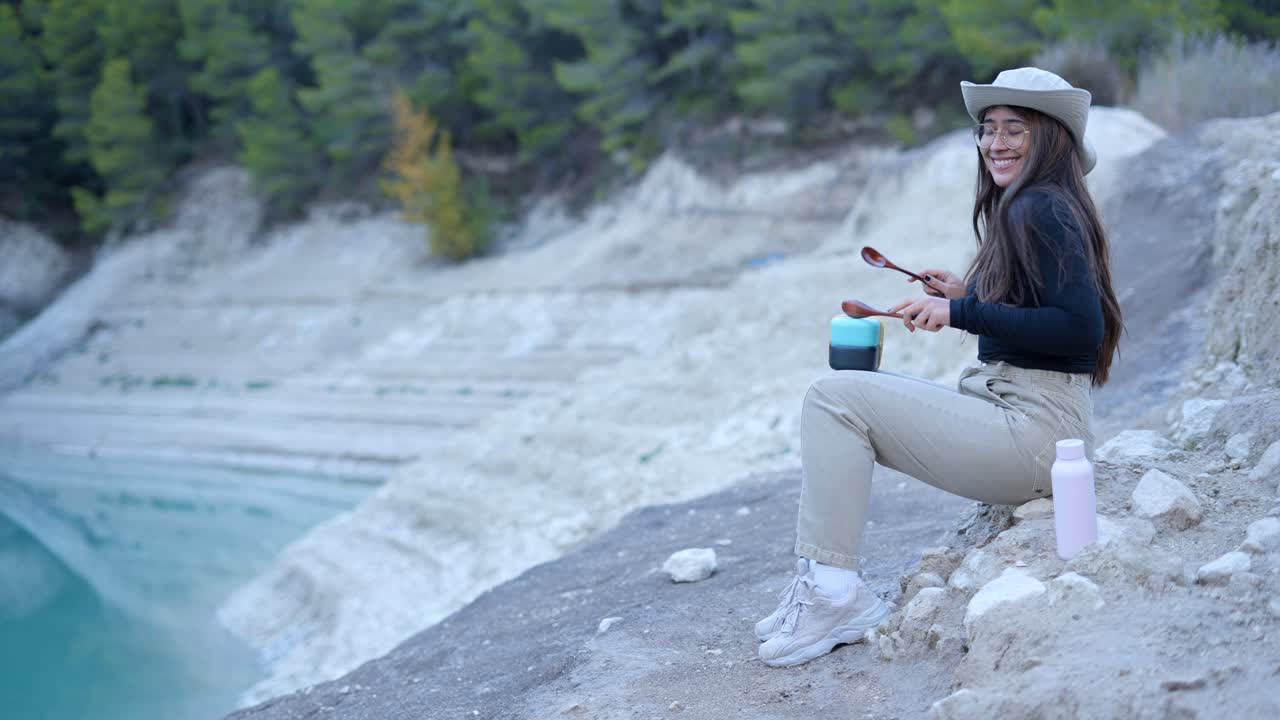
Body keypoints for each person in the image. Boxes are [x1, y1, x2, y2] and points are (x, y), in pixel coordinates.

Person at [755, 67, 1124, 668]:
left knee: (834, 397)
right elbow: (1044, 314)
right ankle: (821, 583)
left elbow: (1081, 329)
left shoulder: (1038, 208)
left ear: (1050, 137)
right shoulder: (1035, 206)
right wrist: (965, 292)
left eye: (1015, 130)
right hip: (1029, 424)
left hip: (1034, 433)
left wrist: (962, 311)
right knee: (843, 394)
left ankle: (833, 595)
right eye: (987, 130)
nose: (995, 143)